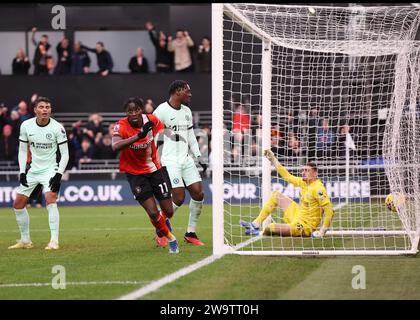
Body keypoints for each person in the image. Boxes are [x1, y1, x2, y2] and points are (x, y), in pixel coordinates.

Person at [111, 97, 179, 254]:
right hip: (136, 175)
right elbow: (115, 146)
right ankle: (170, 238)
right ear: (126, 113)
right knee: (153, 212)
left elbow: (165, 129)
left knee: (168, 210)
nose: (134, 113)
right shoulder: (120, 126)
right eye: (130, 111)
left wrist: (172, 133)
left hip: (156, 169)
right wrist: (138, 136)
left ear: (142, 110)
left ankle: (162, 223)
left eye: (136, 110)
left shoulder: (151, 120)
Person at [8, 96, 69, 250]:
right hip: (33, 170)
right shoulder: (26, 126)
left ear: (50, 110)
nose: (45, 110)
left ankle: (54, 241)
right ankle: (25, 240)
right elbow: (22, 150)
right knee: (18, 204)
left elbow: (65, 154)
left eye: (47, 107)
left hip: (51, 170)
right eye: (41, 107)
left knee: (50, 198)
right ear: (35, 110)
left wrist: (58, 174)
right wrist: (22, 172)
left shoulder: (57, 128)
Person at [153, 80, 206, 246]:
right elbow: (151, 134)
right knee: (179, 196)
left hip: (186, 159)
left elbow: (190, 136)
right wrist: (153, 158)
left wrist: (199, 156)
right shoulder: (161, 111)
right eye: (187, 91)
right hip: (169, 160)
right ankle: (161, 228)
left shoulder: (187, 111)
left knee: (198, 193)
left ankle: (190, 233)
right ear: (178, 91)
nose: (190, 94)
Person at [240, 149, 334, 238]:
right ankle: (255, 224)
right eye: (303, 170)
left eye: (307, 171)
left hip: (305, 226)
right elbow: (287, 176)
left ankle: (259, 233)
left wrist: (322, 231)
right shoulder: (304, 182)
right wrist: (273, 160)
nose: (303, 173)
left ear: (315, 174)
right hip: (298, 214)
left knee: (271, 227)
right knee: (276, 195)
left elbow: (329, 210)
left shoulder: (318, 188)